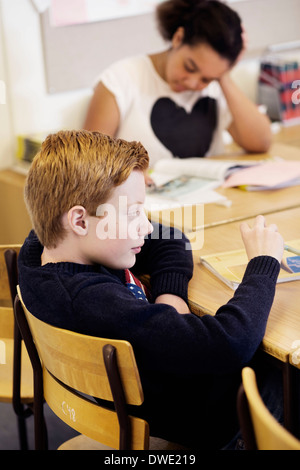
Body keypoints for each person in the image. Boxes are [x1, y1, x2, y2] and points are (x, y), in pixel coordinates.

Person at [18, 130, 284, 449]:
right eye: (132, 213)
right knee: (285, 372)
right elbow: (231, 342)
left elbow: (170, 238)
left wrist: (170, 297)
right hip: (199, 422)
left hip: (144, 399)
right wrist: (263, 262)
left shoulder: (42, 248)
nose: (145, 225)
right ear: (79, 220)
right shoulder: (95, 301)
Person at [83, 0, 272, 179]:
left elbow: (261, 143)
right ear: (178, 38)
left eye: (206, 78)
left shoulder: (216, 86)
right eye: (190, 67)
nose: (192, 83)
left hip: (210, 205)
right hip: (143, 208)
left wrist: (223, 76)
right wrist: (127, 179)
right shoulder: (120, 80)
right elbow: (89, 165)